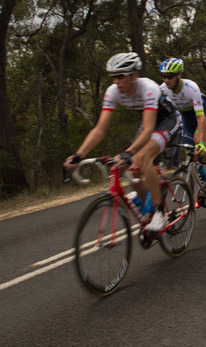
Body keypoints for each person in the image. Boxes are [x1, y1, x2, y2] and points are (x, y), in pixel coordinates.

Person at [64, 52, 181, 234]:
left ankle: (159, 212)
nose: (116, 81)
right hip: (147, 123)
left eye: (120, 76)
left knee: (142, 157)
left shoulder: (148, 88)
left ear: (134, 75)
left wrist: (129, 152)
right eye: (113, 77)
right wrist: (79, 155)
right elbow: (100, 129)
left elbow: (149, 129)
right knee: (130, 168)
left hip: (166, 122)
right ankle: (148, 209)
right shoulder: (112, 91)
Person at [159, 58, 206, 192]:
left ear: (179, 75)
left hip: (202, 112)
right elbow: (163, 117)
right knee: (189, 151)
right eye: (163, 76)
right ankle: (201, 173)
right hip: (186, 117)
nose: (166, 80)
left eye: (169, 76)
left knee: (199, 141)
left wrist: (202, 140)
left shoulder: (191, 87)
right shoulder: (162, 90)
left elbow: (200, 117)